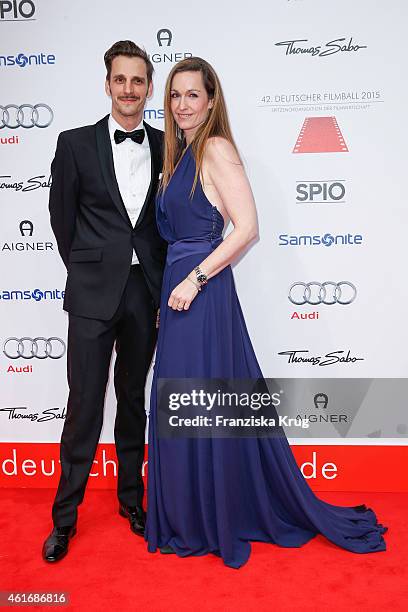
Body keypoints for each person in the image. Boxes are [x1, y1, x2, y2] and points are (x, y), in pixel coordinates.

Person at [145, 57, 387, 568]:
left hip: (203, 294)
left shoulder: (214, 147)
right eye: (175, 95)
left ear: (211, 101)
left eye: (193, 94)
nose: (183, 104)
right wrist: (172, 293)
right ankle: (190, 514)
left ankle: (213, 514)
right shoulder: (178, 154)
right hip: (178, 294)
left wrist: (196, 278)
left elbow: (247, 226)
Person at [43, 40, 167, 563]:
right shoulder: (73, 144)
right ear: (107, 83)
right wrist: (90, 270)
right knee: (84, 406)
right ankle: (64, 520)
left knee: (134, 401)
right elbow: (61, 220)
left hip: (146, 293)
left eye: (138, 81)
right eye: (121, 80)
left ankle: (132, 503)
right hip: (93, 294)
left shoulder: (169, 144)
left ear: (148, 87)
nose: (129, 90)